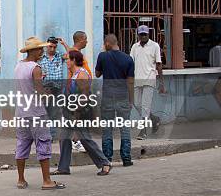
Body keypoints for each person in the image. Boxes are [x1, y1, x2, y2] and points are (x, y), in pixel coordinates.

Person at [15, 37, 65, 190]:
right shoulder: (36, 68)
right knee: (43, 142)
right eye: (40, 49)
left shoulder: (18, 66)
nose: (42, 52)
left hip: (21, 112)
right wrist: (49, 96)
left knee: (22, 144)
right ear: (34, 51)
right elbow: (39, 90)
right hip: (36, 112)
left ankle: (21, 180)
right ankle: (47, 181)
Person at [51, 50, 111, 176]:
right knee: (64, 138)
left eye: (68, 59)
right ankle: (63, 168)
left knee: (85, 138)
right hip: (70, 111)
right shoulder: (74, 74)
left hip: (79, 112)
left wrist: (77, 114)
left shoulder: (81, 75)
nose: (66, 62)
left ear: (73, 60)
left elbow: (84, 96)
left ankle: (105, 163)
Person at [95, 34, 135, 167]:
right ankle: (127, 159)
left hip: (107, 97)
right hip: (123, 97)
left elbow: (97, 74)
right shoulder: (128, 59)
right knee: (124, 129)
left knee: (107, 129)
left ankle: (107, 159)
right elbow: (130, 82)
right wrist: (131, 100)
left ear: (107, 43)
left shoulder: (103, 56)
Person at [130, 25, 165, 140]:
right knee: (136, 103)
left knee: (145, 105)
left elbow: (159, 64)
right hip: (137, 78)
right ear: (138, 35)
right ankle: (154, 119)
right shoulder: (135, 47)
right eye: (141, 34)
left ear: (148, 34)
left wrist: (161, 83)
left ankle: (143, 130)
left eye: (145, 34)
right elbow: (131, 63)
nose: (143, 36)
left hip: (150, 78)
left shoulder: (155, 46)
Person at [59, 31, 92, 152]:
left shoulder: (74, 52)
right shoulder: (75, 55)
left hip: (78, 88)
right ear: (81, 40)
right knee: (78, 116)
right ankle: (76, 141)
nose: (87, 41)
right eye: (86, 39)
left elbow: (70, 51)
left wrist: (64, 44)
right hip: (76, 89)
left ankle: (76, 140)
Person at [38, 36, 66, 139]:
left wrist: (64, 43)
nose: (52, 49)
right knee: (44, 112)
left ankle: (52, 135)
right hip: (45, 89)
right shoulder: (41, 58)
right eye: (50, 47)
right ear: (46, 45)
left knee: (54, 112)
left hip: (57, 88)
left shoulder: (59, 56)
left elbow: (71, 56)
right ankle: (44, 134)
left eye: (54, 47)